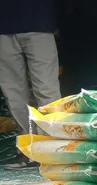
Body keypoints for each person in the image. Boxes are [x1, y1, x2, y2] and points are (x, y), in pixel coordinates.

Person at [0, 1, 62, 169]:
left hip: (40, 23)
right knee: (14, 94)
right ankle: (29, 151)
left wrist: (57, 18)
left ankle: (53, 148)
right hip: (4, 27)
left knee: (47, 90)